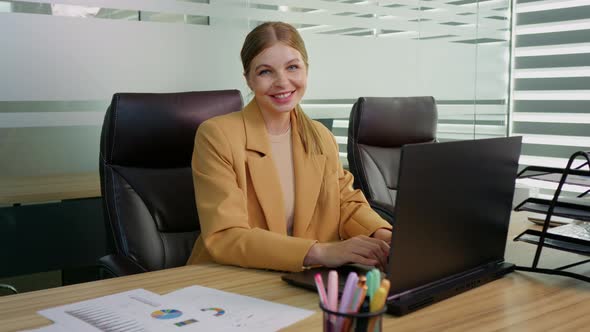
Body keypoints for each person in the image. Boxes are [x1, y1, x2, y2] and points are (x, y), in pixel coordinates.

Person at [186, 22, 392, 272]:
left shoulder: (319, 136)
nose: (282, 82)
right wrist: (319, 251)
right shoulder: (217, 135)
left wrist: (382, 234)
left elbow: (345, 202)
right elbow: (225, 235)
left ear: (306, 70)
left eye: (292, 67)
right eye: (265, 72)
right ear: (248, 80)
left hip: (303, 276)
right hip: (233, 276)